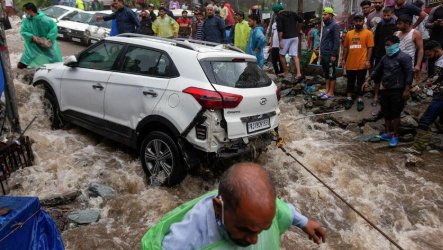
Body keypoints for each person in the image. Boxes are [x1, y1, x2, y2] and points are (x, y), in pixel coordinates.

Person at [141, 162, 326, 249]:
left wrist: (303, 222)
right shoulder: (185, 239)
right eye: (245, 229)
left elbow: (280, 208)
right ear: (217, 207)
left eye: (262, 229)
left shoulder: (258, 212)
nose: (254, 239)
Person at [403, 40, 443, 153]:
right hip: (441, 94)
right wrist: (430, 81)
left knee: (426, 119)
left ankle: (418, 148)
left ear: (436, 51)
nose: (428, 57)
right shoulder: (440, 60)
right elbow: (438, 76)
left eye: (429, 54)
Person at [368, 35, 413, 147]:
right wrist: (368, 79)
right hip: (385, 89)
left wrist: (407, 90)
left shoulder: (404, 57)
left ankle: (396, 135)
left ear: (396, 44)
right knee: (386, 112)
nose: (387, 47)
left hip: (398, 90)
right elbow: (377, 70)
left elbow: (409, 74)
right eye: (386, 45)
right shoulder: (385, 58)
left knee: (395, 113)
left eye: (388, 45)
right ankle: (388, 133)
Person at [342, 13, 374, 111]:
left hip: (362, 63)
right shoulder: (349, 33)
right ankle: (349, 98)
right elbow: (346, 47)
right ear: (354, 22)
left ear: (363, 21)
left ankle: (360, 99)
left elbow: (370, 48)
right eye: (356, 21)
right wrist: (343, 59)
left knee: (360, 82)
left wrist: (368, 60)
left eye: (360, 21)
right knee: (350, 82)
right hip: (350, 63)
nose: (358, 22)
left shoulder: (368, 33)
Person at [18, 3, 62, 69]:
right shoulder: (26, 21)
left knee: (56, 63)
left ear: (30, 10)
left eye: (26, 10)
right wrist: (31, 36)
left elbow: (54, 29)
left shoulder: (46, 19)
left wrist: (49, 39)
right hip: (33, 45)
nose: (25, 12)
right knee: (22, 64)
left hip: (46, 44)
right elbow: (23, 31)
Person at [373, 7, 398, 103]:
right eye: (385, 15)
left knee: (389, 76)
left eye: (388, 15)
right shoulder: (380, 25)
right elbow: (376, 39)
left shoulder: (396, 25)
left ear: (392, 15)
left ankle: (386, 97)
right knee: (377, 75)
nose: (386, 17)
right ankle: (375, 95)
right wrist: (376, 52)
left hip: (391, 54)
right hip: (379, 54)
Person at [273, 3, 303, 80]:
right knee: (295, 55)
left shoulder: (279, 17)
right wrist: (298, 30)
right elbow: (301, 20)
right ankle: (299, 73)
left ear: (276, 11)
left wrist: (280, 41)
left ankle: (286, 72)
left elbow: (280, 30)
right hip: (295, 36)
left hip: (286, 37)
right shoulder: (292, 13)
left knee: (281, 55)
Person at [319, 7, 340, 100]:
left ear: (330, 15)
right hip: (324, 53)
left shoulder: (334, 25)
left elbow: (336, 41)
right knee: (326, 73)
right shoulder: (325, 26)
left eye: (325, 14)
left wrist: (334, 54)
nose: (323, 16)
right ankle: (327, 90)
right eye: (323, 14)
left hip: (330, 54)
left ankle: (331, 92)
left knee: (332, 73)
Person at [395, 15, 424, 81]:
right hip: (396, 63)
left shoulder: (415, 33)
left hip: (409, 63)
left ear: (407, 24)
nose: (397, 26)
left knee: (408, 82)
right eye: (397, 24)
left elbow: (420, 49)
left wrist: (418, 65)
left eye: (400, 24)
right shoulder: (396, 33)